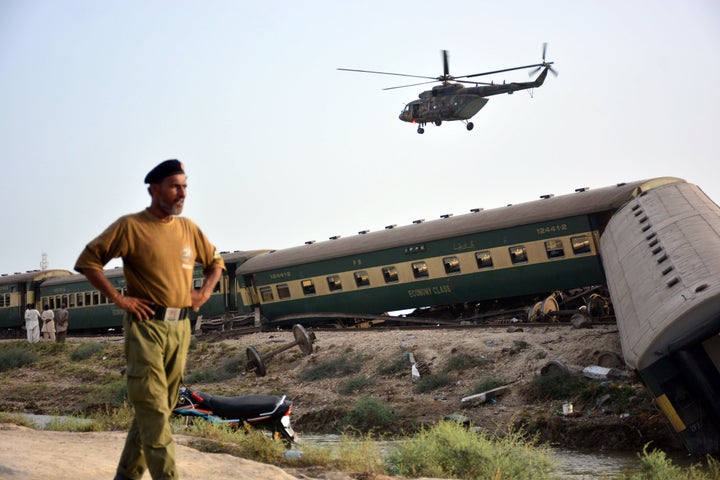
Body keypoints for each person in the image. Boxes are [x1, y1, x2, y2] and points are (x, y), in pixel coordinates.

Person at [74, 159, 225, 480]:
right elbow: (89, 260)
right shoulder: (131, 227)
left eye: (185, 186)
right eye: (175, 186)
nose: (182, 193)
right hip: (147, 329)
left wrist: (204, 293)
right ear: (154, 189)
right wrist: (118, 298)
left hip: (181, 329)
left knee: (157, 410)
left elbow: (216, 262)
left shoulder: (189, 229)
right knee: (154, 411)